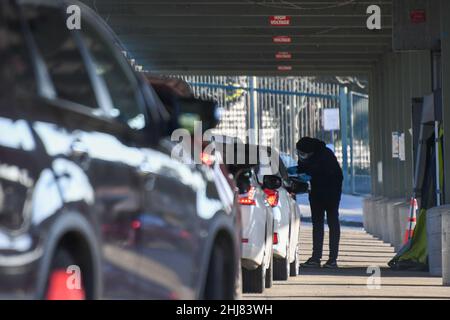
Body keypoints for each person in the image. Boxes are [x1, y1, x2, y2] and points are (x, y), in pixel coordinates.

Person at [296, 137, 343, 268]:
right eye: (299, 153)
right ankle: (316, 257)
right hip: (316, 193)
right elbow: (302, 168)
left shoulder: (325, 155)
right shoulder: (306, 156)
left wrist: (310, 175)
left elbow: (333, 175)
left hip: (331, 193)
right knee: (317, 224)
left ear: (311, 152)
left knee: (333, 222)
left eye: (304, 154)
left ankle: (332, 259)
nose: (301, 156)